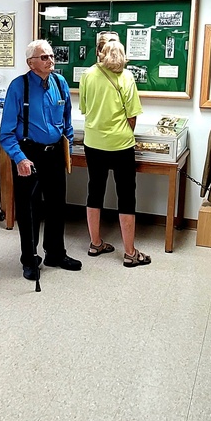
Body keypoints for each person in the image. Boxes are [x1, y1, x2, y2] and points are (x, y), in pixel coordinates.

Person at [0, 40, 81, 281]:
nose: (50, 60)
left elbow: (67, 120)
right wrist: (19, 158)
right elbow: (6, 132)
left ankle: (55, 253)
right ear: (30, 63)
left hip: (55, 153)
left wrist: (68, 147)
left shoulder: (60, 82)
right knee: (29, 209)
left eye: (51, 56)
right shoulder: (18, 87)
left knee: (57, 205)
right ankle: (29, 258)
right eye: (44, 57)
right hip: (28, 155)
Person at [78, 38, 149, 266]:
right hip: (121, 145)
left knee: (94, 190)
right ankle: (130, 252)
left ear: (98, 51)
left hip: (93, 142)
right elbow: (132, 115)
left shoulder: (88, 75)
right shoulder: (126, 76)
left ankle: (95, 243)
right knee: (126, 195)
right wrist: (121, 134)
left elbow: (85, 109)